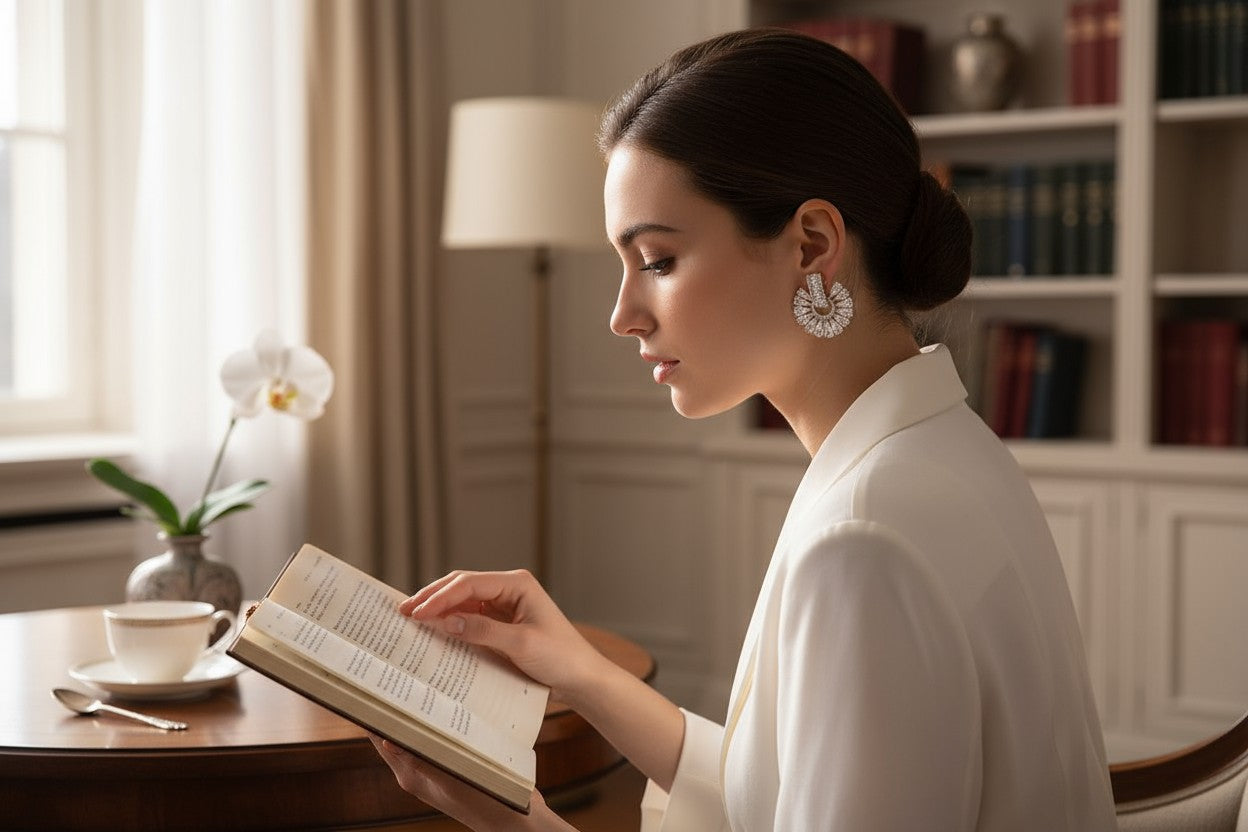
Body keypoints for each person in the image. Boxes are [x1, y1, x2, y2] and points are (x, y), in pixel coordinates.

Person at [369, 28, 1117, 831]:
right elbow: (781, 786)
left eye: (656, 260)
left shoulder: (864, 541)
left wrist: (511, 820)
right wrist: (577, 671)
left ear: (813, 245)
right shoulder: (939, 449)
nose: (621, 316)